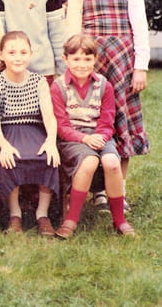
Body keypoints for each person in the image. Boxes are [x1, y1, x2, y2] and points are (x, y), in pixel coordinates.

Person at [65, 0, 149, 210]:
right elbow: (73, 32)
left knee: (120, 124)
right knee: (92, 121)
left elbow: (139, 27)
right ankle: (99, 190)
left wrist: (140, 67)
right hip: (90, 65)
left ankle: (118, 190)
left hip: (122, 65)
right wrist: (74, 67)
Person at [51, 34, 135, 238]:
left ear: (95, 59)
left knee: (112, 162)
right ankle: (71, 219)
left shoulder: (104, 85)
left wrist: (100, 137)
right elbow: (61, 126)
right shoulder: (58, 86)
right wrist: (84, 139)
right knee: (88, 162)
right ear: (65, 59)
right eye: (76, 59)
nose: (82, 64)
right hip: (73, 139)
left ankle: (119, 220)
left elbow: (108, 120)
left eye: (87, 59)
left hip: (99, 135)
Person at [0, 31, 60, 236]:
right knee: (12, 158)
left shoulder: (39, 81)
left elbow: (49, 115)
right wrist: (4, 145)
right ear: (1, 55)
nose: (18, 57)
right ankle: (15, 214)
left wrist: (51, 141)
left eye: (23, 52)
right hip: (7, 131)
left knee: (48, 157)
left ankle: (42, 214)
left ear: (31, 54)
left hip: (34, 130)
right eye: (11, 53)